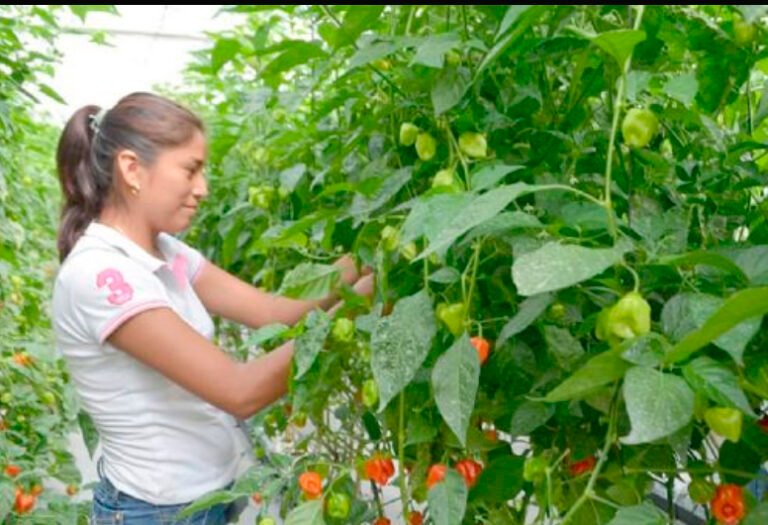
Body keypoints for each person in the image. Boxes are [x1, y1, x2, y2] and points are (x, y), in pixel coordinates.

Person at [51, 92, 373, 524]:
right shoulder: (101, 275)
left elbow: (275, 313)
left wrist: (368, 253)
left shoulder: (165, 250)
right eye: (190, 169)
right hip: (155, 512)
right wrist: (358, 306)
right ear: (132, 169)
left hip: (203, 498)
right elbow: (240, 391)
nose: (202, 188)